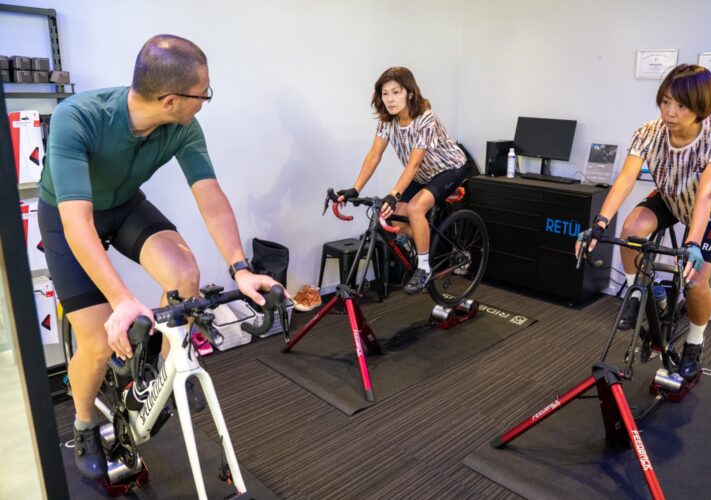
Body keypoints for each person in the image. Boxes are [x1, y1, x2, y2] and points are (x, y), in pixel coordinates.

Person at [38, 35, 284, 479]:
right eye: (204, 92)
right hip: (68, 216)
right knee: (96, 341)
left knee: (184, 273)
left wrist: (240, 268)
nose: (207, 99)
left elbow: (209, 195)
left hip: (126, 205)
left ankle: (166, 368)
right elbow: (78, 223)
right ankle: (86, 425)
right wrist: (122, 300)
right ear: (171, 100)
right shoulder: (77, 118)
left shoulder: (183, 126)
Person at [577, 64, 711, 382]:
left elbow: (706, 194)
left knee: (696, 282)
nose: (670, 112)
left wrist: (693, 243)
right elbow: (625, 179)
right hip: (668, 196)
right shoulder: (648, 131)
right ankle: (642, 295)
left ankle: (695, 343)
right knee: (630, 231)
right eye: (665, 101)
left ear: (701, 107)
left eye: (681, 105)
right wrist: (599, 223)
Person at [337, 67, 474, 293]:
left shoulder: (426, 120)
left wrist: (394, 194)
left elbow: (414, 163)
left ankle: (423, 268)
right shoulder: (387, 121)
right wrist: (355, 188)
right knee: (397, 221)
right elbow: (374, 155)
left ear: (409, 93)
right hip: (423, 175)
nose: (390, 99)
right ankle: (426, 238)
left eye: (396, 92)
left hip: (450, 168)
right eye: (385, 93)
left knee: (415, 209)